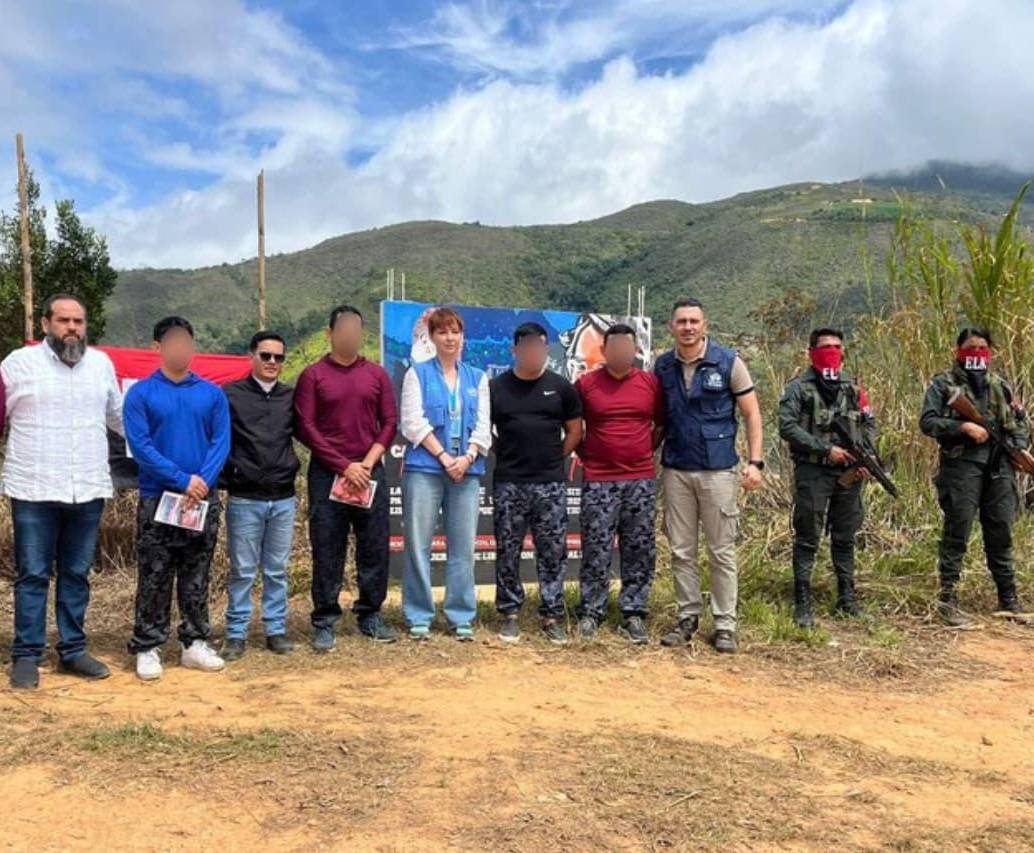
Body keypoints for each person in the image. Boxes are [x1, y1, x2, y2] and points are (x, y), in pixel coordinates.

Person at [1, 294, 123, 689]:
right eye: (63, 320)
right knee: (33, 574)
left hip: (87, 487)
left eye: (78, 321)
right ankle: (27, 654)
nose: (72, 328)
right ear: (45, 324)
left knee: (76, 573)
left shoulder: (101, 365)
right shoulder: (18, 364)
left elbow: (119, 418)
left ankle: (72, 650)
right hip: (33, 487)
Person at [123, 316, 231, 681]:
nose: (181, 348)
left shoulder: (212, 394)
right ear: (157, 347)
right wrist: (182, 480)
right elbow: (141, 447)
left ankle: (195, 642)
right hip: (159, 498)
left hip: (202, 499)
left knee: (196, 571)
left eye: (187, 341)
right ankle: (148, 644)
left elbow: (221, 442)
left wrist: (201, 483)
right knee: (155, 573)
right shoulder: (141, 394)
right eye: (173, 341)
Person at [655, 298, 764, 655]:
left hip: (718, 471)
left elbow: (751, 414)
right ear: (671, 327)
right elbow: (658, 419)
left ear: (705, 325)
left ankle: (725, 625)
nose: (688, 327)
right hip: (677, 469)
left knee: (721, 552)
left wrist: (756, 462)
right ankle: (687, 617)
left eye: (694, 321)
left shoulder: (729, 362)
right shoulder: (663, 366)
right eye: (681, 321)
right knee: (681, 550)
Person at [295, 305, 399, 651]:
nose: (351, 336)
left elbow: (389, 422)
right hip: (329, 475)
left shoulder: (376, 374)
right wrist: (343, 465)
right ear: (330, 334)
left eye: (357, 330)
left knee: (374, 546)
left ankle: (370, 613)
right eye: (345, 330)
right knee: (328, 547)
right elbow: (306, 428)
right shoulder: (313, 375)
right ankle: (325, 619)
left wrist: (366, 463)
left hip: (369, 472)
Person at [920, 326, 1029, 626]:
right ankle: (948, 598)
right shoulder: (944, 384)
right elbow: (927, 422)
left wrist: (1019, 450)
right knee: (958, 530)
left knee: (1001, 529)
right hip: (962, 465)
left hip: (999, 465)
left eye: (982, 347)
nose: (977, 353)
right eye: (970, 347)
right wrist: (962, 427)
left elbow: (1018, 421)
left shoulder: (1000, 385)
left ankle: (1008, 598)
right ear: (958, 351)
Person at [399, 306, 491, 641]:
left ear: (463, 336)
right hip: (425, 469)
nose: (450, 338)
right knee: (418, 544)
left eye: (455, 331)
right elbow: (412, 422)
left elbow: (483, 425)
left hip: (466, 471)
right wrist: (443, 456)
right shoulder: (416, 374)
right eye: (442, 332)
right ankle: (419, 614)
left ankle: (460, 614)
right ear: (432, 337)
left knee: (463, 547)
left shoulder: (478, 378)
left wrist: (467, 457)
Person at [491, 322, 583, 644]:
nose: (534, 352)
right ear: (515, 350)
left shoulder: (561, 387)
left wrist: (555, 458)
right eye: (527, 346)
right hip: (509, 483)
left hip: (550, 484)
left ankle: (552, 614)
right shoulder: (496, 388)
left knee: (553, 551)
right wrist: (505, 454)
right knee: (507, 549)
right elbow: (484, 431)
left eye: (540, 347)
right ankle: (509, 613)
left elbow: (575, 431)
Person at [778, 327, 875, 628]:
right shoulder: (798, 388)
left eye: (836, 347)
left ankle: (847, 598)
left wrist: (866, 458)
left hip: (849, 472)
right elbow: (787, 427)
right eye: (825, 347)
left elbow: (868, 423)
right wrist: (825, 449)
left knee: (845, 536)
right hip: (813, 471)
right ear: (811, 352)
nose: (832, 352)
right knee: (808, 535)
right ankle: (803, 602)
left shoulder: (853, 388)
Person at [574, 323, 663, 644]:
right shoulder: (585, 385)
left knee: (639, 547)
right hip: (599, 480)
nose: (621, 352)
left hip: (640, 479)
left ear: (635, 350)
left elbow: (660, 426)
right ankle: (591, 610)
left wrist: (641, 453)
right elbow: (574, 429)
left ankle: (633, 612)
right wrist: (591, 456)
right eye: (615, 347)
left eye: (627, 347)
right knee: (596, 546)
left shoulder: (650, 383)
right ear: (605, 350)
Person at [220, 331, 300, 661]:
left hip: (283, 497)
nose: (272, 362)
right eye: (265, 355)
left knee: (276, 569)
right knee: (242, 570)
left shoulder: (291, 397)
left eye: (278, 357)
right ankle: (236, 633)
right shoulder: (230, 395)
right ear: (251, 356)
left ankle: (275, 630)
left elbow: (309, 433)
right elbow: (217, 438)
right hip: (244, 497)